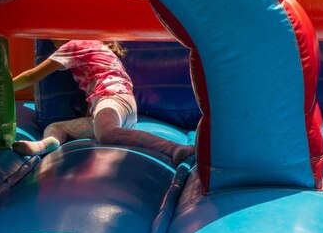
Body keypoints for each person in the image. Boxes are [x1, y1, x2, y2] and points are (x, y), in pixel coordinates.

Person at [11, 40, 194, 166]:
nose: (52, 43)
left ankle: (174, 148)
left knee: (105, 133)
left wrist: (6, 87)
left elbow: (32, 76)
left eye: (52, 37)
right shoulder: (98, 45)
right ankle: (44, 144)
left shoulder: (74, 45)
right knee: (57, 127)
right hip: (120, 109)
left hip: (112, 99)